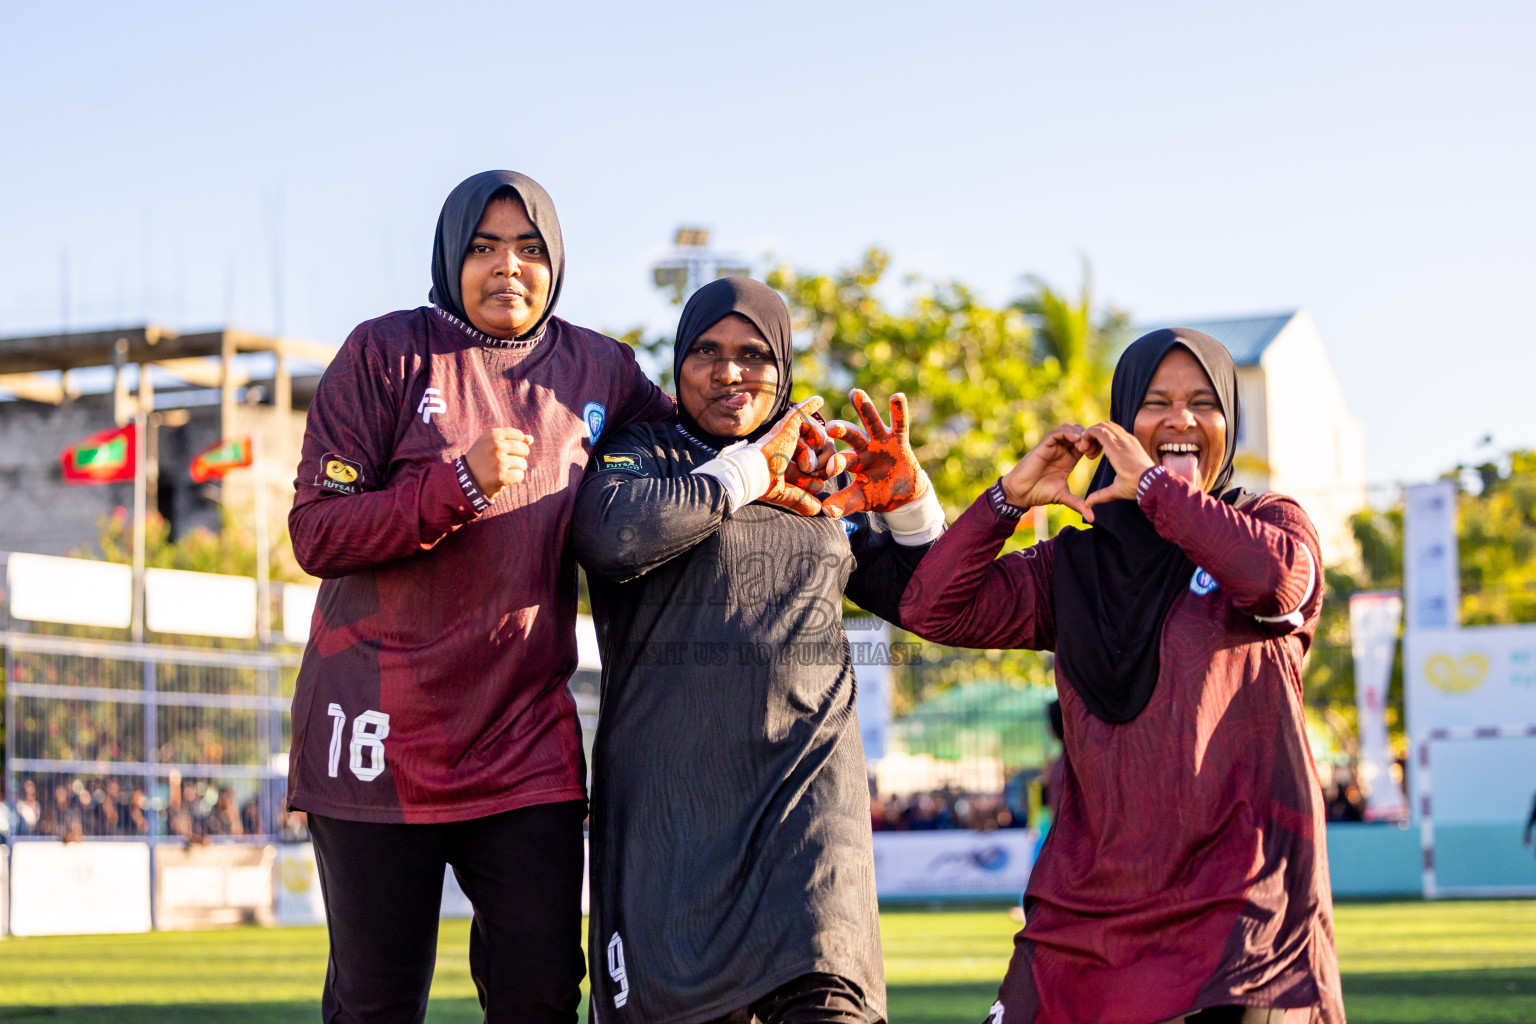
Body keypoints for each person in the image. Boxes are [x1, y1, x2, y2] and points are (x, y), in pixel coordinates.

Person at [285, 170, 673, 1024]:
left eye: (530, 248)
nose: (509, 268)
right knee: (377, 1003)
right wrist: (456, 484)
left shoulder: (600, 366)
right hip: (378, 738)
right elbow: (316, 533)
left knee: (542, 994)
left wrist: (790, 459)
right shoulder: (386, 353)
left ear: (556, 261)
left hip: (523, 740)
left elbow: (694, 445)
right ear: (449, 258)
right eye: (485, 248)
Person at [900, 328, 1343, 1023]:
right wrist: (1009, 498)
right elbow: (933, 609)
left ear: (1229, 420)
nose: (1181, 419)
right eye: (1156, 402)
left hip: (1240, 916)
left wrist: (1161, 491)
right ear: (1122, 422)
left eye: (1203, 403)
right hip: (1088, 913)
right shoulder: (1071, 565)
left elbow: (1279, 584)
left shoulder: (1268, 523)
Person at [571, 277, 945, 1024]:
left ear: (784, 367)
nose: (729, 372)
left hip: (810, 811)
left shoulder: (823, 470)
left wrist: (910, 505)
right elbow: (613, 539)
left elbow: (928, 600)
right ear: (679, 363)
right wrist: (747, 472)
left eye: (753, 354)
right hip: (674, 819)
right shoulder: (641, 452)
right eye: (707, 352)